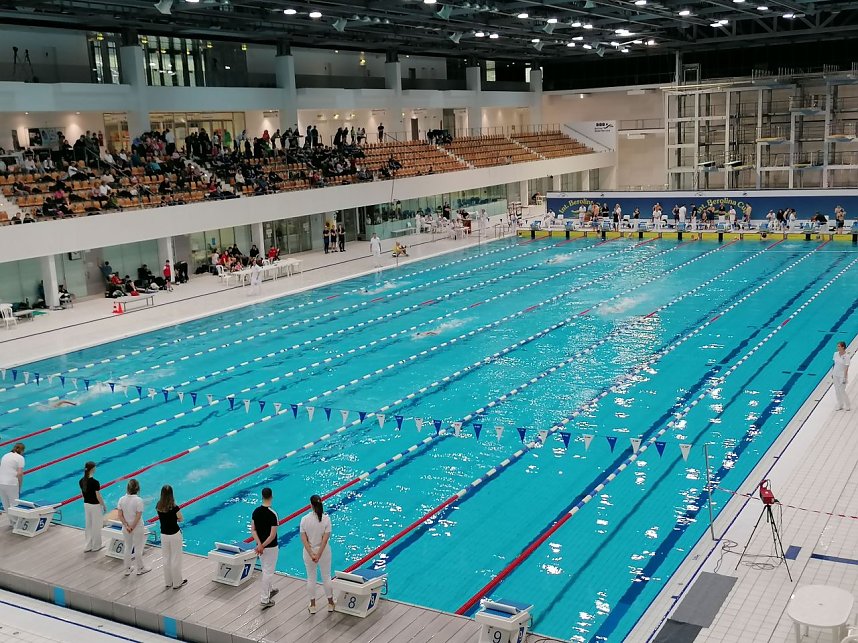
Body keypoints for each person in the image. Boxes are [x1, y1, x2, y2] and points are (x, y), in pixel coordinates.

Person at [300, 495, 335, 613]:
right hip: (323, 552)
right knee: (326, 577)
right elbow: (325, 540)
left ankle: (313, 605)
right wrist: (319, 554)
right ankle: (330, 604)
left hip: (309, 553)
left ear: (311, 505)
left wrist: (312, 554)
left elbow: (304, 539)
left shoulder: (304, 519)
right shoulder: (326, 519)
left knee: (311, 578)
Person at [251, 487, 279, 609]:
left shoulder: (256, 512)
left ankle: (269, 590)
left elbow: (253, 530)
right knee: (268, 572)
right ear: (271, 496)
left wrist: (259, 544)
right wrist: (263, 545)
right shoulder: (273, 514)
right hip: (270, 547)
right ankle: (264, 599)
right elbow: (272, 535)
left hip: (260, 547)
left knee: (265, 569)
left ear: (262, 496)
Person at [117, 479, 150, 576]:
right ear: (138, 489)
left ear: (127, 488)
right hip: (137, 527)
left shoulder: (121, 499)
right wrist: (132, 526)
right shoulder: (138, 500)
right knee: (138, 548)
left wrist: (127, 525)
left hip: (126, 528)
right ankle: (140, 568)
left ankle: (127, 569)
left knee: (127, 547)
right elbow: (138, 516)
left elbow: (120, 515)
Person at [156, 485, 186, 589]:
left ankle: (168, 582)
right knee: (176, 558)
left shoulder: (158, 506)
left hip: (164, 534)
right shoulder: (174, 507)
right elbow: (181, 519)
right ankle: (177, 582)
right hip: (174, 534)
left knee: (166, 558)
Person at [79, 461, 106, 552]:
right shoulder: (95, 482)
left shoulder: (81, 481)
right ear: (93, 469)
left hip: (86, 504)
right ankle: (96, 546)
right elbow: (98, 496)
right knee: (97, 525)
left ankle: (88, 546)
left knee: (89, 525)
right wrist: (103, 505)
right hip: (95, 505)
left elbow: (82, 494)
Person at [0, 443, 25, 529]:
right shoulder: (20, 458)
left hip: (1, 482)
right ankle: (17, 524)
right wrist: (20, 487)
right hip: (11, 483)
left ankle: (12, 522)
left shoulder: (5, 455)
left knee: (6, 504)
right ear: (22, 451)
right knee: (15, 504)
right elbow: (20, 474)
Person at [833, 341, 851, 411]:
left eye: (839, 346)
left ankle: (848, 405)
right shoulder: (835, 354)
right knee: (837, 390)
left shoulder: (847, 357)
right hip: (835, 374)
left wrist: (844, 377)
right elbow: (834, 364)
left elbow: (846, 368)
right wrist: (832, 373)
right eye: (837, 346)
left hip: (842, 375)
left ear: (843, 347)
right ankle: (840, 404)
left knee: (842, 390)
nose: (837, 347)